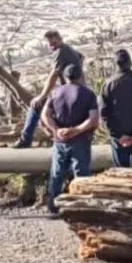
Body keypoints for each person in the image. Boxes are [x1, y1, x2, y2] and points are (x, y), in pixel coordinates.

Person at [41, 64, 99, 217]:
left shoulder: (55, 92)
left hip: (60, 140)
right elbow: (93, 119)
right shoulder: (88, 94)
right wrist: (77, 130)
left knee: (57, 173)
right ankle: (82, 206)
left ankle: (53, 207)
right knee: (81, 173)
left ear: (65, 77)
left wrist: (56, 130)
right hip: (80, 139)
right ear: (81, 76)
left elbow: (45, 115)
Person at [13, 30, 85, 148]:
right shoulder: (69, 48)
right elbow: (82, 56)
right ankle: (52, 135)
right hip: (77, 89)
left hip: (68, 92)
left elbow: (53, 75)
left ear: (60, 39)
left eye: (54, 42)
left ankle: (26, 140)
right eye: (50, 43)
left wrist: (41, 96)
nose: (52, 46)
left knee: (36, 106)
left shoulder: (60, 51)